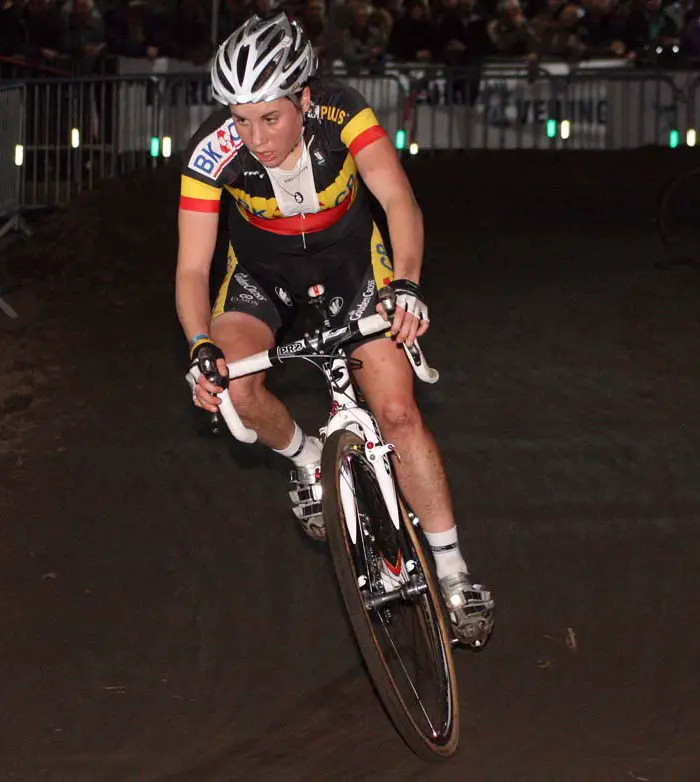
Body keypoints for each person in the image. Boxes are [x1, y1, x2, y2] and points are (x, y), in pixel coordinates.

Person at [175, 13, 493, 646]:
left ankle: (454, 571)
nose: (255, 138)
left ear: (305, 99)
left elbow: (398, 199)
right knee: (239, 388)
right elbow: (191, 265)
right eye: (240, 119)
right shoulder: (213, 152)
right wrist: (199, 347)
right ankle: (307, 460)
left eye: (270, 117)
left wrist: (405, 283)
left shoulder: (345, 115)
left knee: (398, 412)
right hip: (259, 281)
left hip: (353, 270)